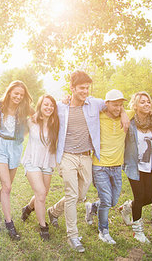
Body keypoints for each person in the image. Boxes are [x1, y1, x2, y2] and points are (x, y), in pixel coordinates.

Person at [46, 71, 129, 253]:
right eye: (81, 88)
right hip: (67, 155)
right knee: (71, 193)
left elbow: (114, 104)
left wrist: (123, 112)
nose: (85, 91)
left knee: (81, 195)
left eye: (87, 88)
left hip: (86, 156)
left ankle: (53, 211)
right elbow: (42, 110)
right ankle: (73, 236)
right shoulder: (61, 107)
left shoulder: (94, 104)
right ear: (72, 88)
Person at [84, 90, 152, 245]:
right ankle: (103, 231)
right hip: (99, 165)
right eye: (115, 105)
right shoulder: (97, 116)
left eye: (120, 105)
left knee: (112, 201)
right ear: (106, 104)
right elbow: (85, 102)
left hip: (117, 166)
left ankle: (92, 207)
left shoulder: (127, 113)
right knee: (107, 200)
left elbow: (145, 109)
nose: (118, 108)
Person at [119, 91, 152, 243]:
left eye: (148, 102)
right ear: (135, 106)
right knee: (140, 197)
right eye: (142, 102)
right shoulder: (130, 123)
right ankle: (138, 232)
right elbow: (118, 109)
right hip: (133, 166)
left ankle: (127, 207)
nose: (146, 104)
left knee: (149, 198)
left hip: (150, 166)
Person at [0, 81, 34, 241]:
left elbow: (40, 114)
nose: (18, 97)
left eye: (21, 94)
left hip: (15, 147)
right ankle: (9, 224)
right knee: (6, 186)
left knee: (7, 185)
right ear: (9, 92)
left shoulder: (25, 108)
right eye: (16, 93)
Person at [20, 95, 59, 241]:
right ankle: (43, 227)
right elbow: (18, 135)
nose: (49, 107)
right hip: (32, 161)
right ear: (40, 106)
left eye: (51, 105)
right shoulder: (31, 122)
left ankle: (28, 208)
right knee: (41, 193)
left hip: (47, 162)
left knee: (43, 194)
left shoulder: (56, 123)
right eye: (45, 105)